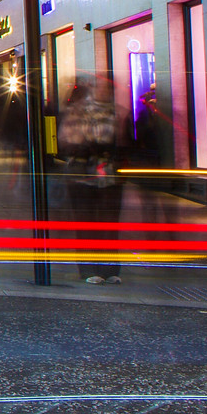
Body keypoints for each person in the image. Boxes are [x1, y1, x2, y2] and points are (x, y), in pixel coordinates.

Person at [55, 76, 126, 285]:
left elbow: (123, 141)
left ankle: (107, 268)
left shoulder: (116, 113)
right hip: (84, 174)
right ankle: (91, 268)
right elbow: (66, 143)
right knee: (89, 223)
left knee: (107, 223)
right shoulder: (75, 114)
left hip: (106, 174)